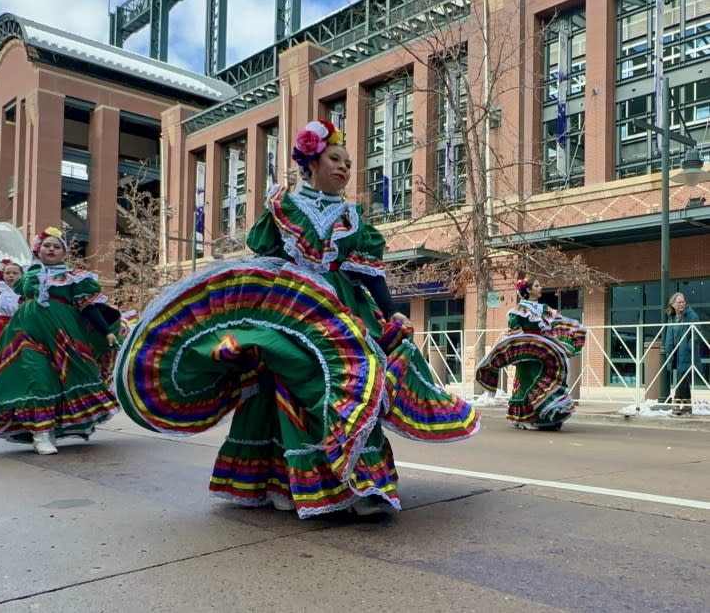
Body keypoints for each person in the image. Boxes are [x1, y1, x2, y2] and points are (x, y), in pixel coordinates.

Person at [114, 119, 479, 519]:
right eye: (335, 158)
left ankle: (362, 483)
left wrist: (390, 308)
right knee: (278, 389)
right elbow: (265, 260)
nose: (343, 168)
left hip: (342, 311)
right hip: (288, 310)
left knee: (354, 385)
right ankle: (284, 479)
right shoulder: (281, 207)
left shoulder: (353, 218)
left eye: (348, 163)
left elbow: (369, 272)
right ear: (311, 162)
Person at [0, 226, 122, 455]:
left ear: (64, 253)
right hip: (25, 334)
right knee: (38, 378)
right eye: (47, 246)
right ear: (38, 250)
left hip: (63, 338)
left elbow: (89, 307)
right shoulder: (30, 274)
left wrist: (106, 331)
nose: (51, 250)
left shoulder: (75, 278)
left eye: (57, 247)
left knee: (59, 381)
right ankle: (40, 433)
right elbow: (19, 294)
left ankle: (52, 427)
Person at [475, 276, 586, 430]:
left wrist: (566, 338)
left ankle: (545, 417)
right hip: (527, 353)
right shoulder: (518, 311)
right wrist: (518, 351)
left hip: (545, 352)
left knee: (548, 379)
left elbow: (556, 323)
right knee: (527, 384)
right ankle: (524, 418)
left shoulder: (545, 309)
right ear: (528, 290)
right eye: (537, 285)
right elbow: (514, 333)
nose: (540, 288)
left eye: (539, 286)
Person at [663, 292, 700, 416]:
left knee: (681, 377)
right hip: (675, 352)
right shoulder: (672, 317)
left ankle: (676, 403)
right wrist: (668, 349)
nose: (681, 304)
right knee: (683, 378)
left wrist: (689, 347)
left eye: (683, 302)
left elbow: (696, 334)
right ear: (672, 304)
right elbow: (669, 335)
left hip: (686, 352)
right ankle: (687, 406)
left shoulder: (691, 316)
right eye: (678, 302)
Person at [0, 259, 23, 354]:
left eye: (15, 273)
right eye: (7, 273)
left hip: (19, 325)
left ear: (22, 275)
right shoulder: (0, 289)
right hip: (1, 325)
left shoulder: (25, 291)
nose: (11, 275)